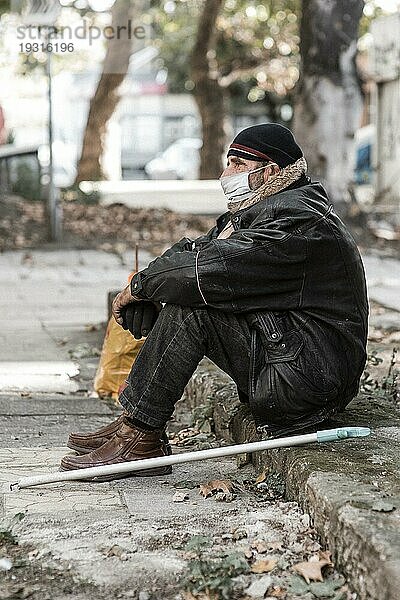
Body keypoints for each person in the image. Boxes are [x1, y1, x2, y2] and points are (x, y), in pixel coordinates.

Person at [61, 123, 368, 480]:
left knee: (193, 312)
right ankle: (135, 426)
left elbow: (207, 269)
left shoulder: (298, 223)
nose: (226, 174)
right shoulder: (264, 209)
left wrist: (141, 287)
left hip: (308, 379)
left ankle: (141, 433)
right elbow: (196, 256)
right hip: (292, 356)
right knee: (188, 299)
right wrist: (152, 296)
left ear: (269, 171)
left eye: (238, 164)